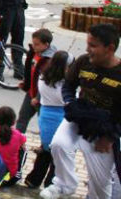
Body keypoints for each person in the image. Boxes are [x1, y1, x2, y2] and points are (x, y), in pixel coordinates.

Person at [40, 24, 121, 199]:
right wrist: (70, 102)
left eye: (93, 45)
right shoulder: (83, 61)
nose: (87, 49)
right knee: (58, 144)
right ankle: (64, 185)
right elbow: (69, 85)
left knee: (100, 186)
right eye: (87, 44)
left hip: (103, 132)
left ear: (110, 48)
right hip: (79, 117)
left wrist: (110, 137)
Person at [26, 51, 72, 190]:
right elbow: (69, 100)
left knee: (46, 148)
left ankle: (34, 179)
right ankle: (50, 183)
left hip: (45, 115)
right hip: (61, 117)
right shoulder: (66, 84)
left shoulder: (43, 78)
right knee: (57, 154)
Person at [17, 29, 57, 133]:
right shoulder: (36, 52)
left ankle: (45, 146)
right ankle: (18, 144)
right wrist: (26, 83)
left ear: (46, 45)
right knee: (22, 118)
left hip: (42, 98)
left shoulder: (49, 61)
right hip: (31, 93)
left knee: (43, 123)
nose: (33, 46)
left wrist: (38, 98)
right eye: (33, 43)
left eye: (37, 44)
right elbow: (31, 71)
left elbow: (46, 82)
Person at [0, 106, 27, 187]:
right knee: (23, 149)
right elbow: (23, 144)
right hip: (8, 178)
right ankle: (18, 173)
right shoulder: (18, 135)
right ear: (14, 121)